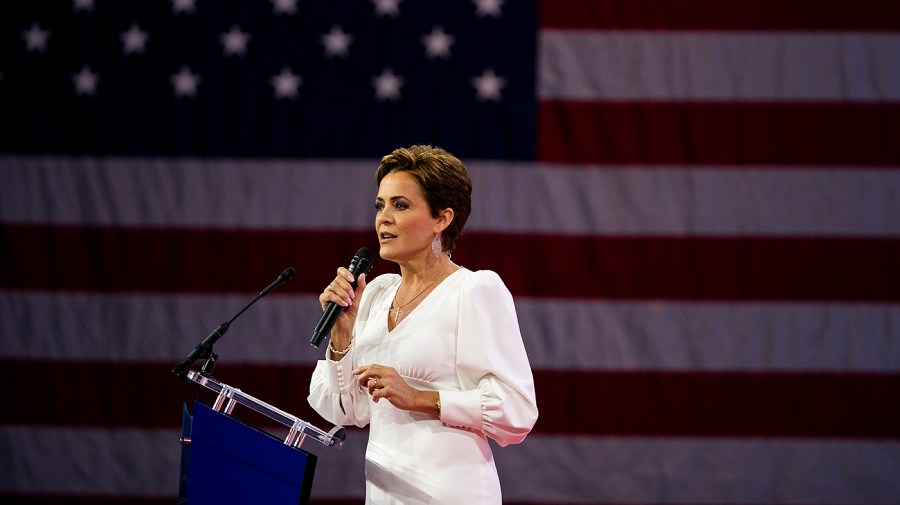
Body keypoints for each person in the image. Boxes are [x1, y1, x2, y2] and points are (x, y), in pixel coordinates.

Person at [308, 145, 538, 504]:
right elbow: (347, 411)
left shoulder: (473, 291)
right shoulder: (376, 293)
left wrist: (418, 398)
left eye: (400, 205)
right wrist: (341, 335)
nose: (384, 218)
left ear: (442, 219)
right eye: (380, 205)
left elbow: (516, 411)